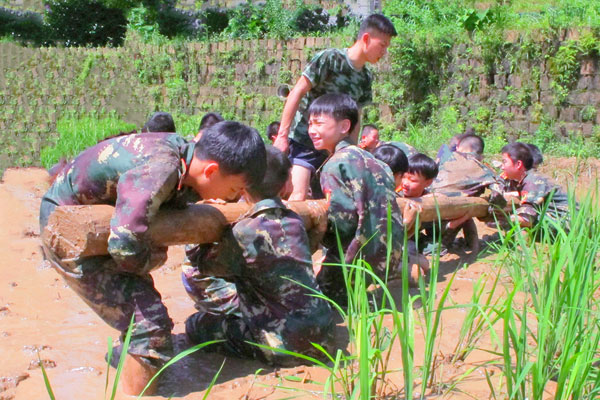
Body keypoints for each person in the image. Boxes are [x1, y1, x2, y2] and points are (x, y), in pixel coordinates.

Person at [39, 122, 266, 395]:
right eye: (233, 190)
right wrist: (155, 259)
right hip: (69, 231)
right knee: (148, 326)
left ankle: (128, 360)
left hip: (105, 228)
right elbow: (124, 245)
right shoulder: (160, 169)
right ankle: (135, 393)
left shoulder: (185, 157)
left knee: (144, 311)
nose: (233, 198)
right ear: (211, 171)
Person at [183, 146, 334, 365]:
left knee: (195, 324)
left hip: (284, 345)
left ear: (242, 187)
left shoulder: (243, 232)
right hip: (324, 335)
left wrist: (201, 217)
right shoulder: (295, 221)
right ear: (286, 186)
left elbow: (202, 264)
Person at [273, 13, 398, 200]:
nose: (384, 52)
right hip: (304, 142)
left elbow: (356, 117)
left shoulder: (365, 77)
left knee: (328, 202)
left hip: (332, 151)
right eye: (382, 45)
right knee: (297, 195)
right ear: (366, 39)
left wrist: (350, 152)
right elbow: (297, 92)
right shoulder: (330, 59)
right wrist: (282, 136)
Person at [307, 93, 405, 303]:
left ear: (344, 126)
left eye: (318, 123)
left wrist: (316, 237)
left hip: (358, 257)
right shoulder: (376, 161)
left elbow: (342, 223)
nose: (311, 130)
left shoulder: (335, 164)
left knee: (318, 300)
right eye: (309, 124)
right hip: (390, 253)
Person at [430, 134, 499, 253]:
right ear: (481, 156)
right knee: (467, 208)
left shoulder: (443, 158)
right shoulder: (481, 167)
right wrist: (487, 213)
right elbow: (498, 193)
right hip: (449, 215)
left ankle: (470, 244)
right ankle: (442, 246)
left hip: (425, 206)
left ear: (457, 147)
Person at [499, 142, 569, 229]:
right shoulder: (525, 177)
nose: (502, 167)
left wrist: (500, 220)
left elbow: (526, 219)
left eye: (504, 162)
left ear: (519, 164)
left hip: (566, 220)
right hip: (560, 217)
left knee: (525, 221)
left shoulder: (532, 180)